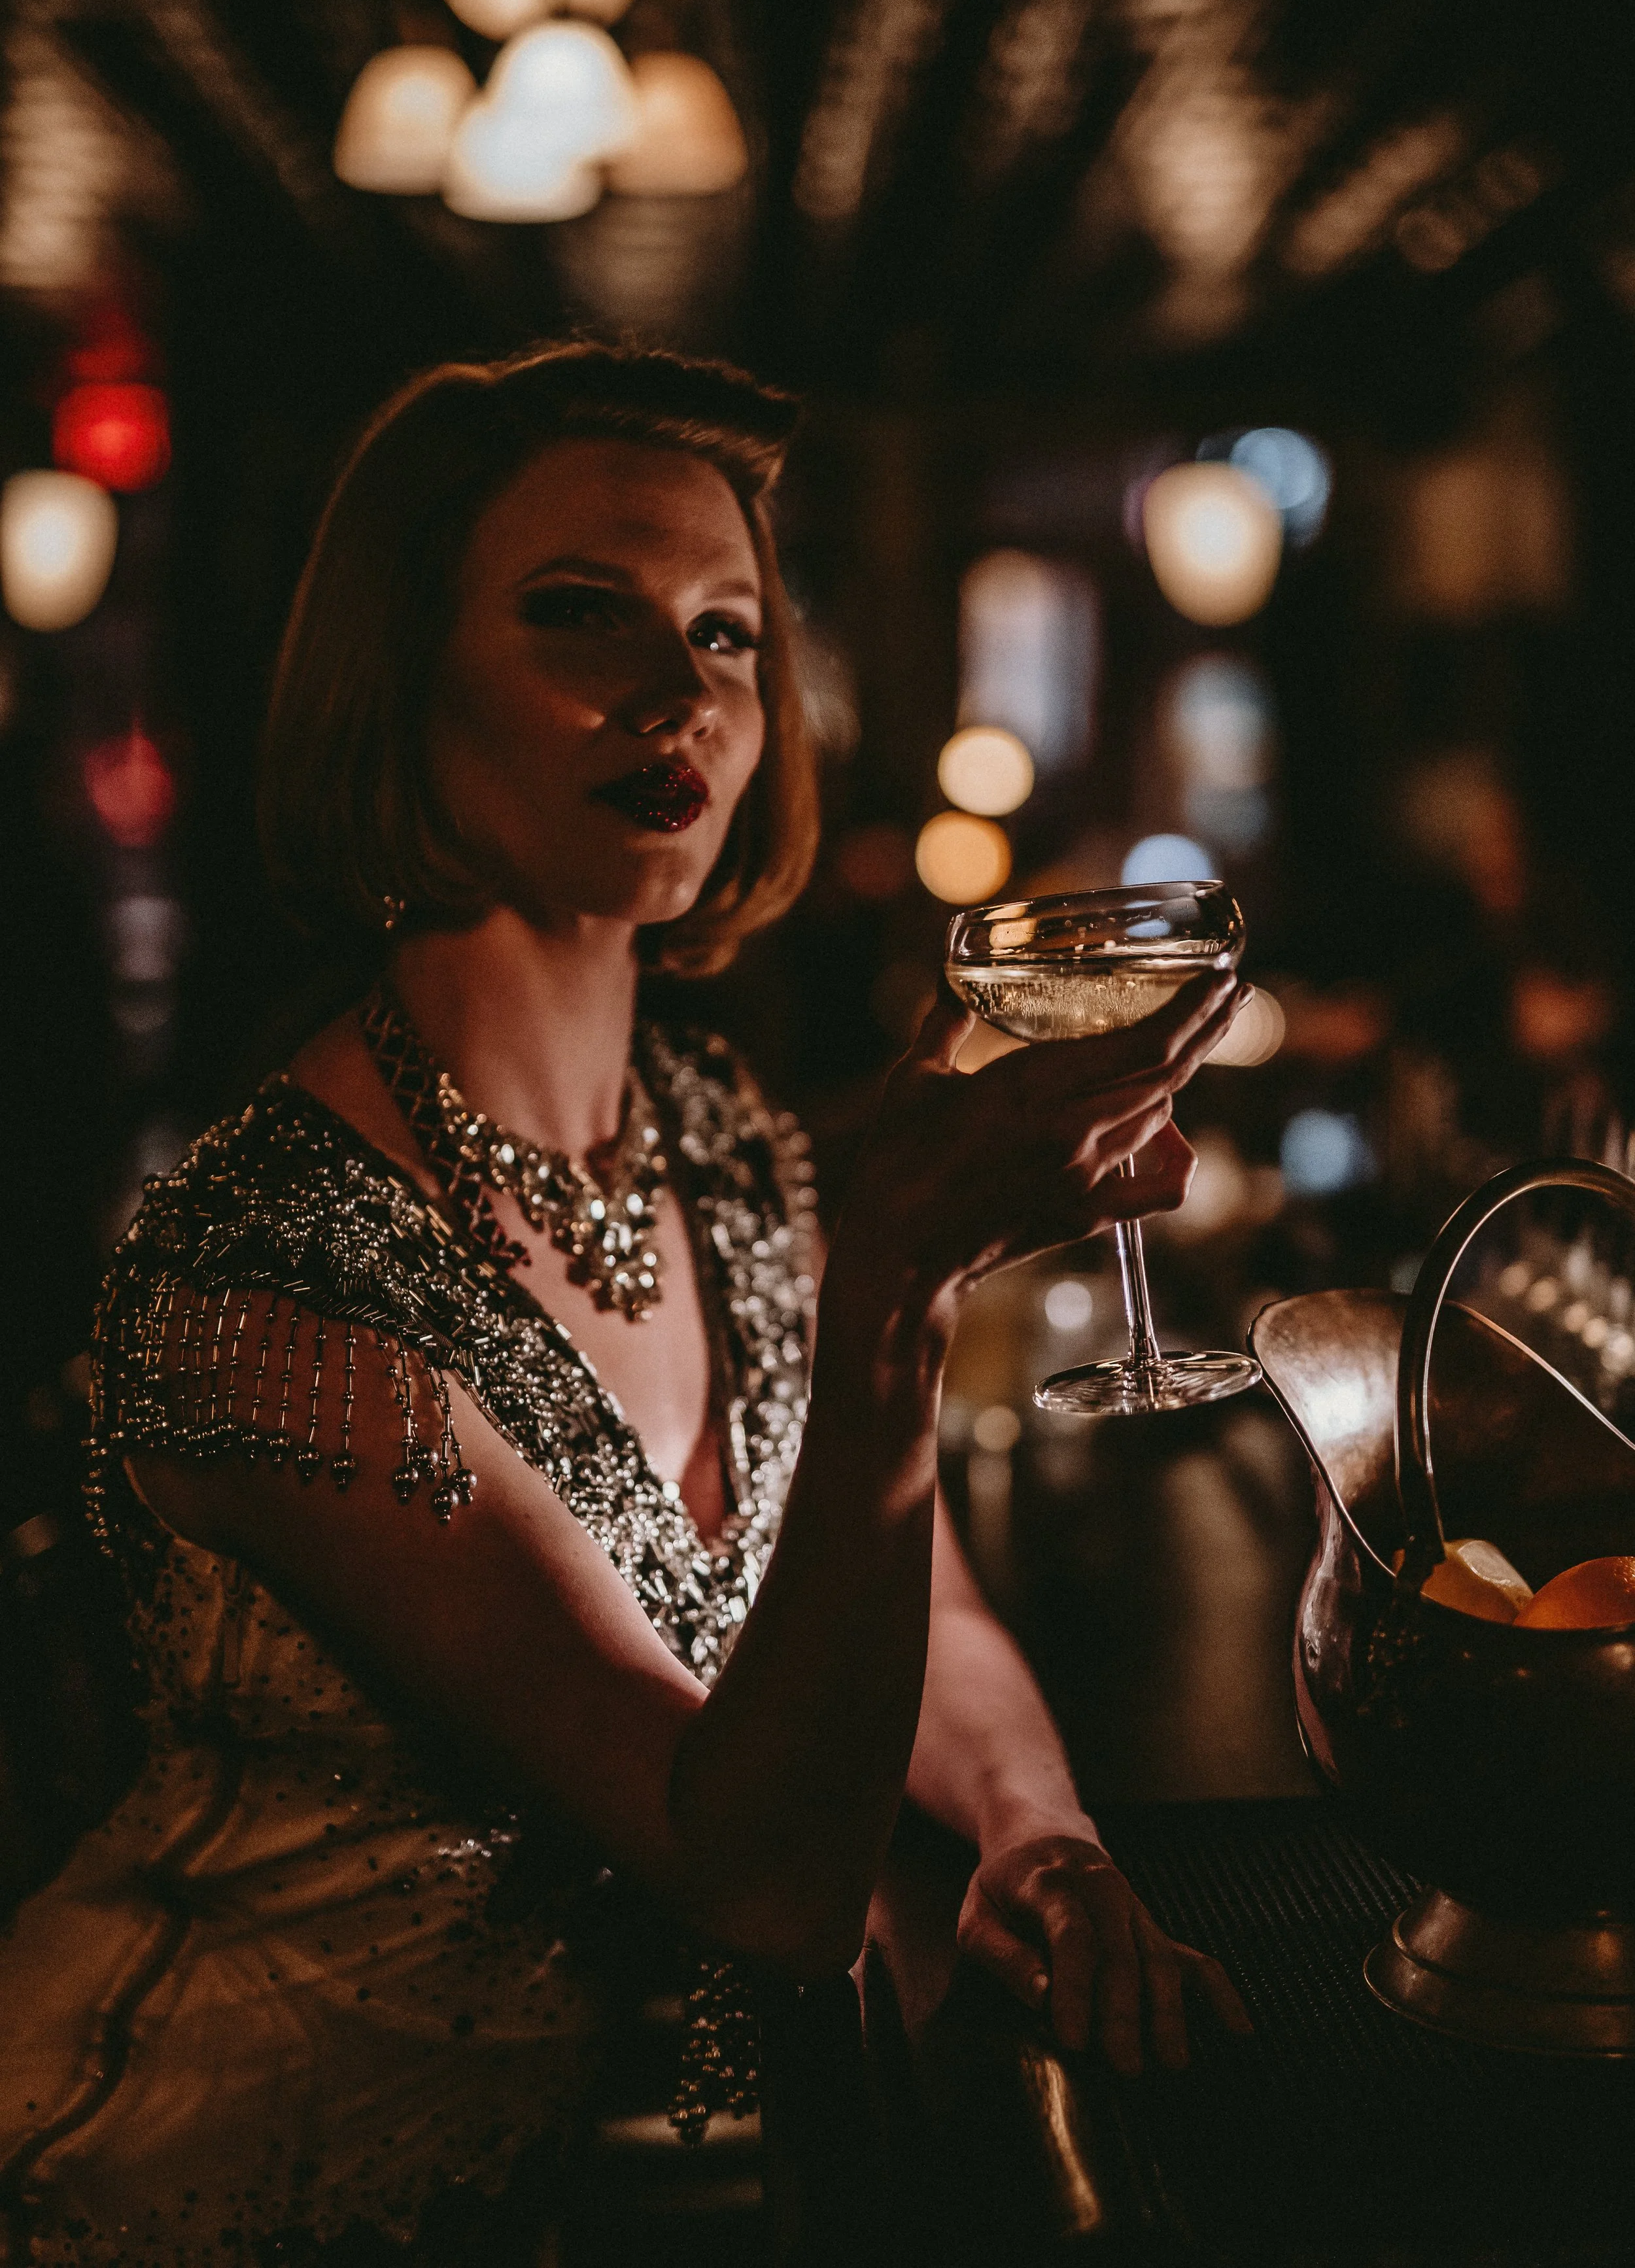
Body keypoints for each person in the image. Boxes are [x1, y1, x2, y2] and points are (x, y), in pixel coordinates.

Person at [0, 341, 1251, 2266]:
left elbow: (903, 1598)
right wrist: (895, 1300)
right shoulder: (271, 1278)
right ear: (399, 673)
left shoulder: (721, 1135)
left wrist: (1037, 1832)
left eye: (725, 632)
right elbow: (762, 1880)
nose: (678, 692)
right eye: (579, 612)